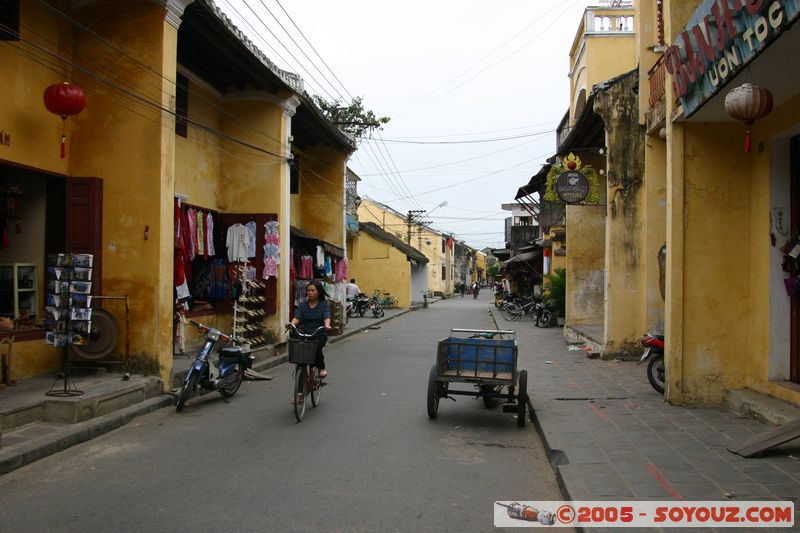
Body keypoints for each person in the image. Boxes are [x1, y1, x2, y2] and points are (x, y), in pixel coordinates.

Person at [287, 280, 331, 378]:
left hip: (319, 334)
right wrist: (291, 324)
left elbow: (326, 316)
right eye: (308, 290)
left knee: (317, 349)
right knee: (300, 351)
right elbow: (297, 317)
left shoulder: (324, 304)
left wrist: (327, 325)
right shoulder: (303, 305)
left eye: (312, 290)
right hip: (306, 334)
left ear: (318, 292)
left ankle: (321, 368)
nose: (310, 293)